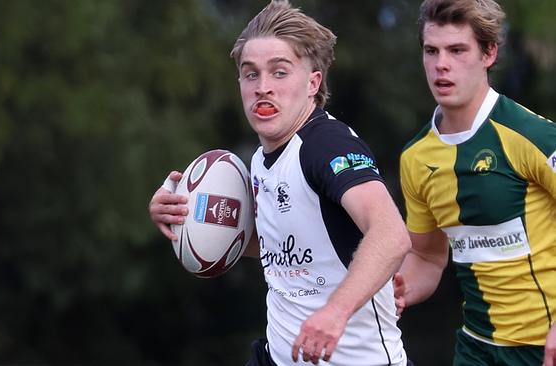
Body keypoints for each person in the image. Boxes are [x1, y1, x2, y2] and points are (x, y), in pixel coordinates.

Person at [149, 1, 413, 365]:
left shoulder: (326, 145)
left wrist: (336, 311)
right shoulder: (259, 161)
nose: (263, 88)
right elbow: (284, 247)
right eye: (251, 74)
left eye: (280, 72)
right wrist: (183, 213)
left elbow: (391, 235)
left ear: (313, 82)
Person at [395, 0, 556, 365]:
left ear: (488, 53)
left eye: (457, 50)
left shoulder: (533, 137)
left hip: (543, 347)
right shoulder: (416, 158)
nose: (441, 65)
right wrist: (399, 289)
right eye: (431, 51)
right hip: (475, 348)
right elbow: (427, 255)